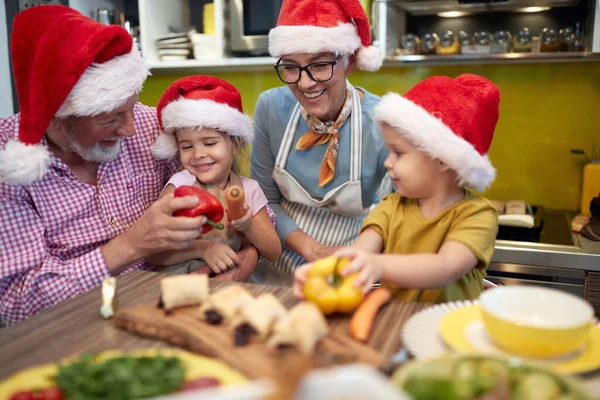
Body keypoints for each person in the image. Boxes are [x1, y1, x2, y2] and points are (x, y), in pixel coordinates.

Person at [0, 6, 253, 326]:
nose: (131, 130)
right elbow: (18, 304)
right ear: (58, 116)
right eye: (110, 119)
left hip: (180, 303)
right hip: (75, 323)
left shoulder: (150, 126)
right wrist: (132, 244)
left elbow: (236, 196)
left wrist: (247, 257)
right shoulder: (8, 164)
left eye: (131, 109)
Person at [294, 74, 501, 303]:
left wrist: (378, 265)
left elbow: (446, 267)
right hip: (395, 326)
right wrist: (324, 273)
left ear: (444, 159)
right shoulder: (392, 207)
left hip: (450, 331)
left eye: (398, 153)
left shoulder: (476, 215)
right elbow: (359, 255)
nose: (387, 162)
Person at [250, 0, 391, 276]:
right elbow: (263, 201)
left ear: (350, 61)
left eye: (320, 65)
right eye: (291, 67)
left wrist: (360, 255)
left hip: (350, 263)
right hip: (278, 261)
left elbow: (395, 212)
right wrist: (311, 249)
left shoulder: (382, 122)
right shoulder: (270, 108)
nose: (305, 83)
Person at [148, 76, 281, 275]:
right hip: (178, 285)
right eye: (186, 146)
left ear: (235, 145)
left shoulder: (248, 189)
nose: (198, 154)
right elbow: (154, 252)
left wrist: (248, 226)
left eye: (210, 143)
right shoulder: (181, 183)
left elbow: (273, 251)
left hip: (227, 284)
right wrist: (205, 249)